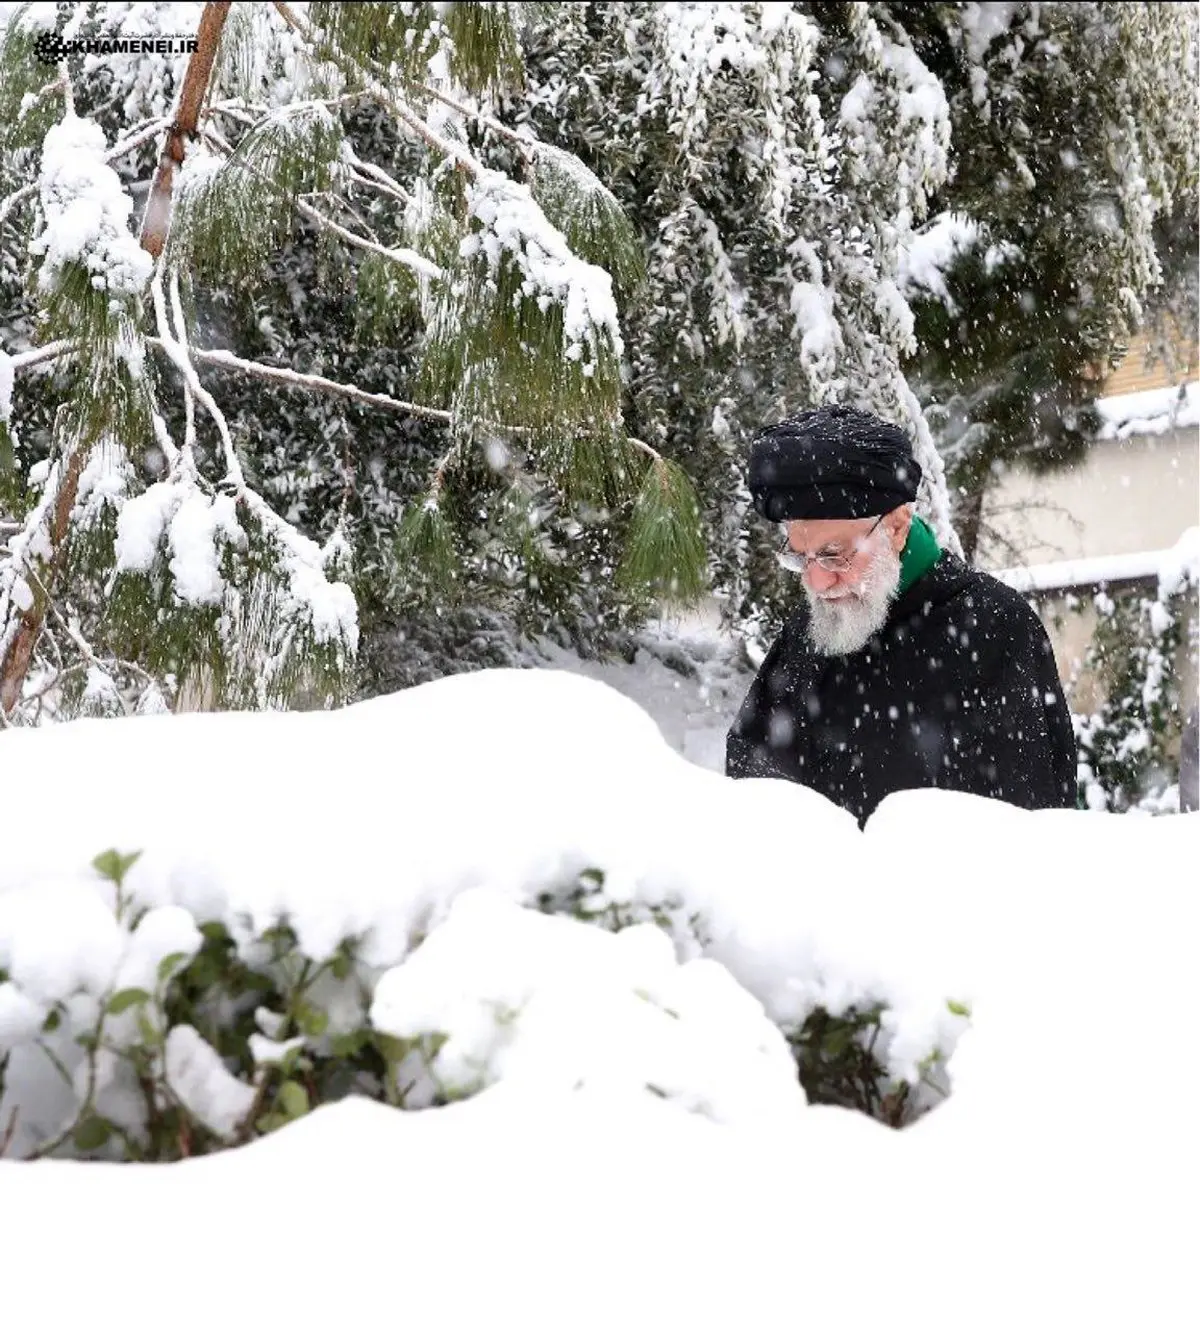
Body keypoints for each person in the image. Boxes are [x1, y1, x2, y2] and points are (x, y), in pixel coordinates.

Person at [726, 405, 1079, 825]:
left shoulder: (993, 628)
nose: (817, 583)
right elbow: (749, 798)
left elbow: (1031, 829)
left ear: (896, 527)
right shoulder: (811, 634)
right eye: (800, 559)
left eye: (833, 555)